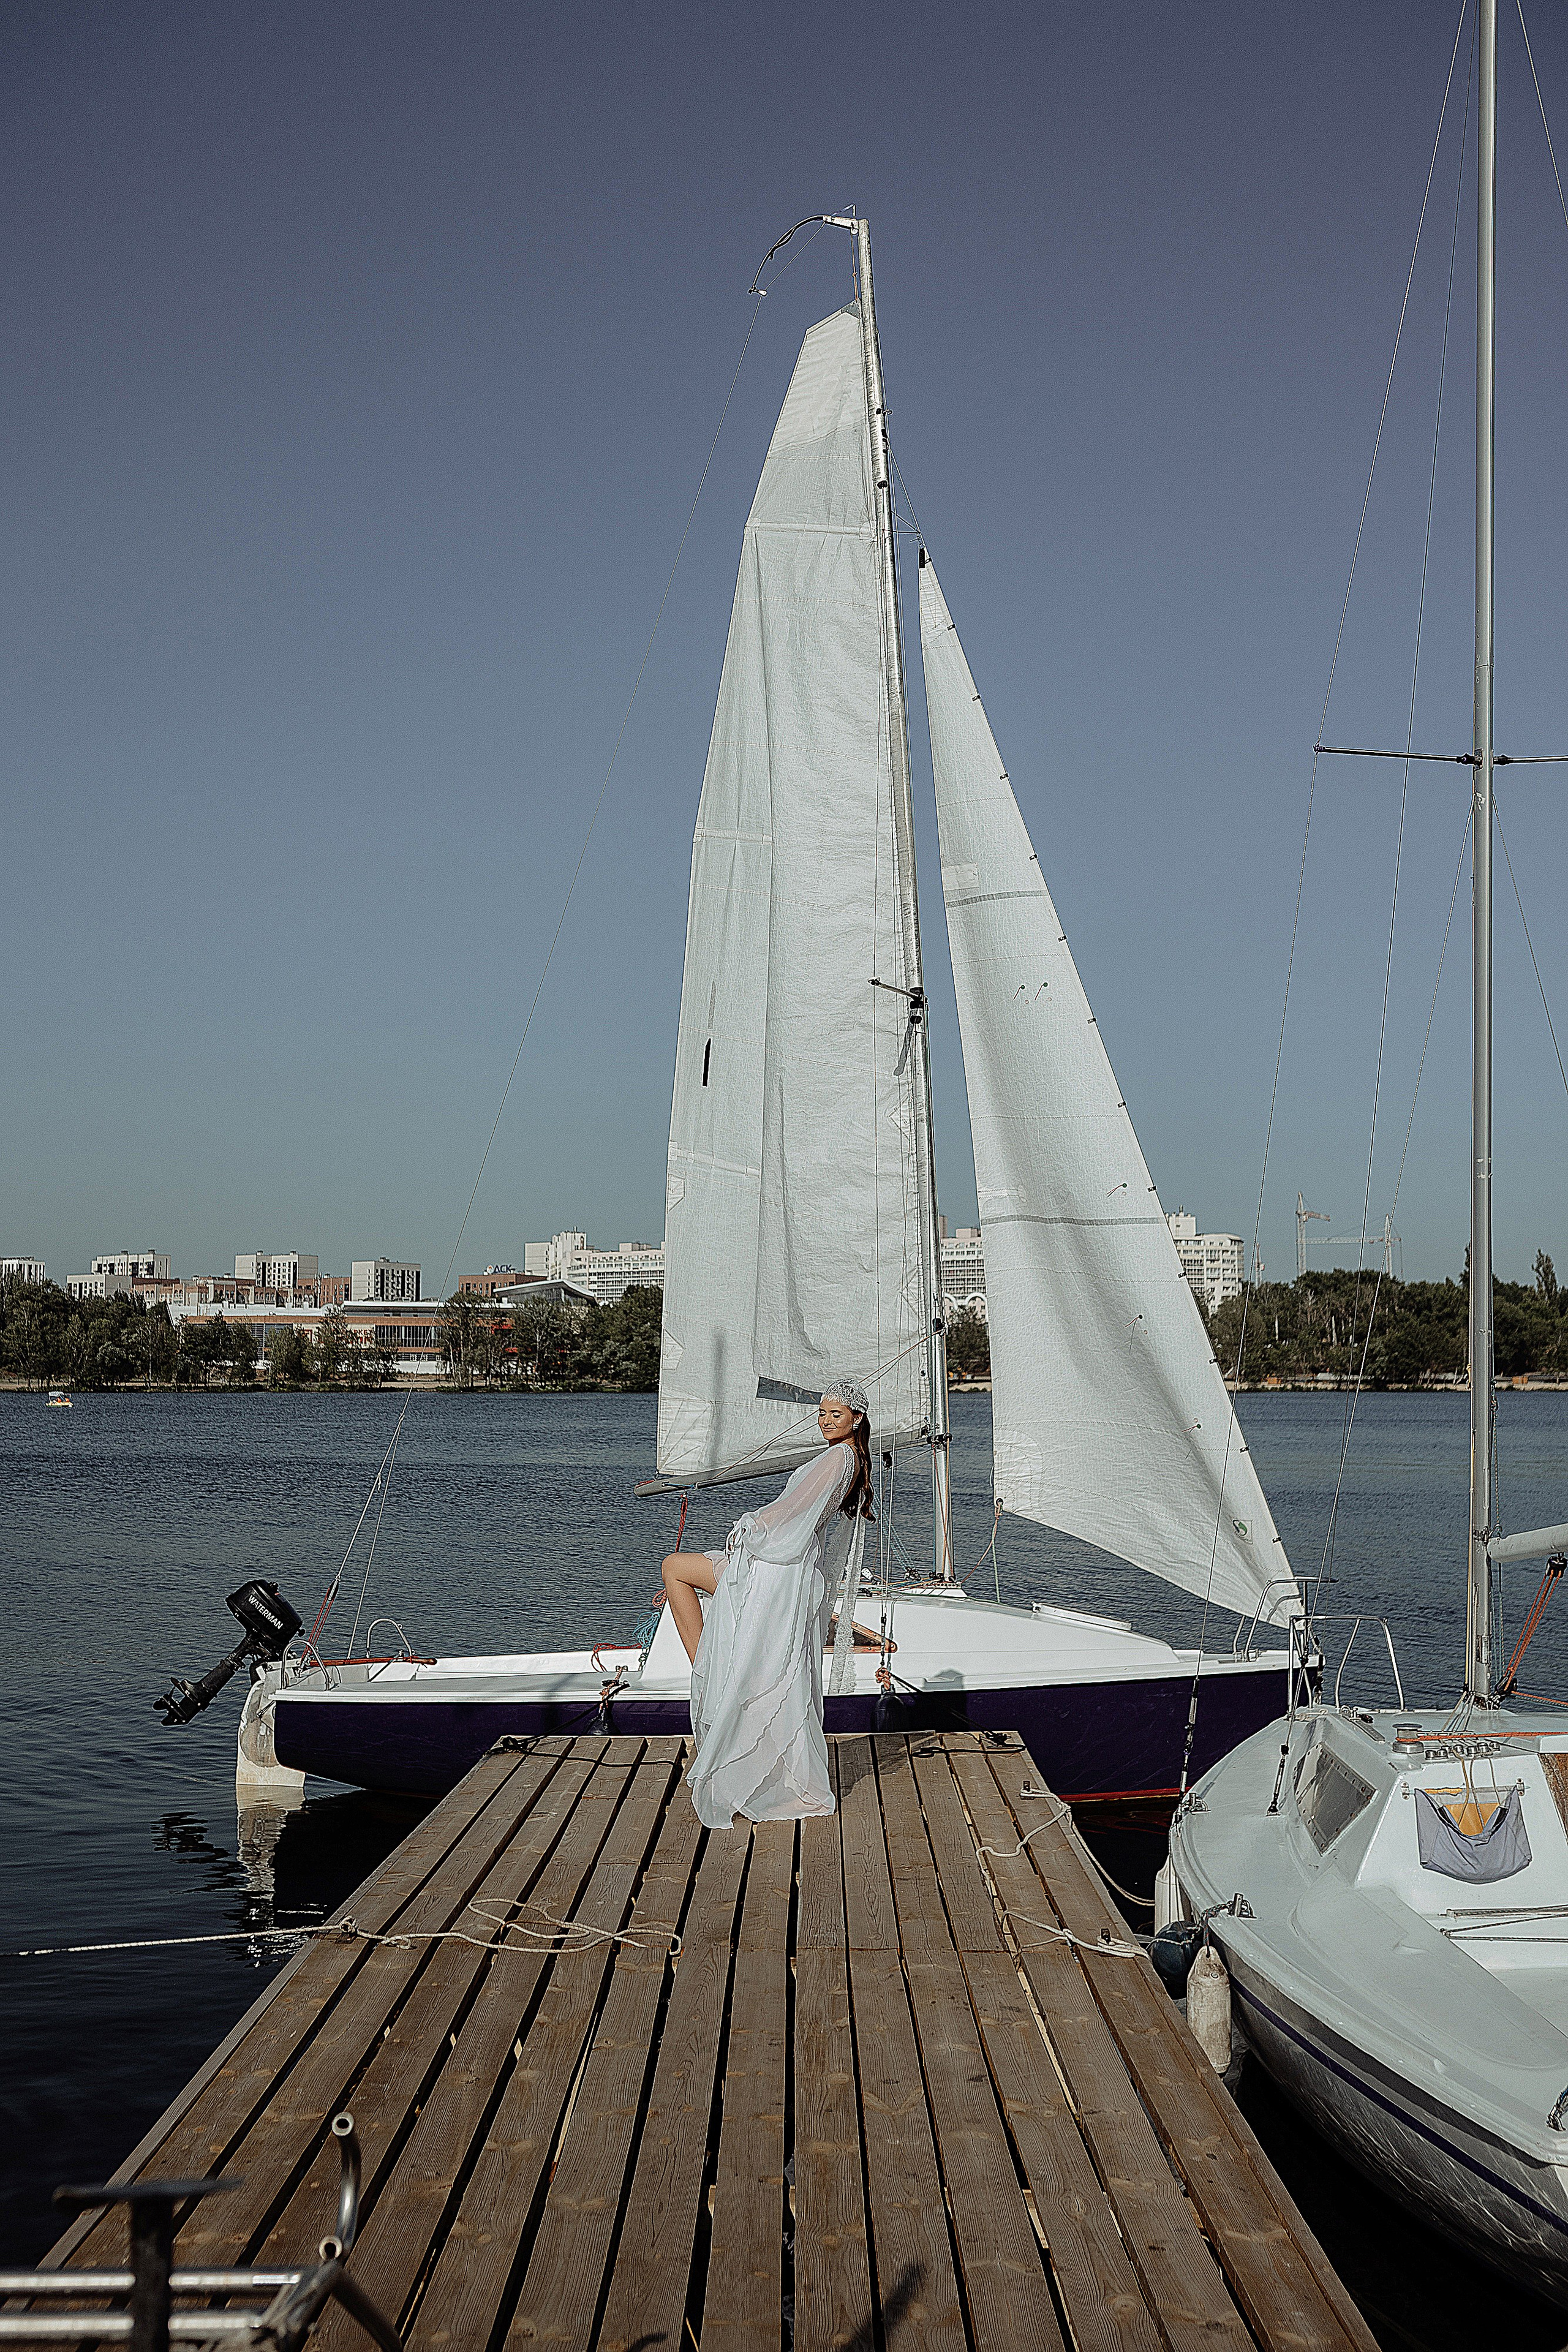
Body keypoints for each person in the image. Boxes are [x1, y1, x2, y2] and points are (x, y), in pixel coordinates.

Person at [662, 1379, 885, 1828]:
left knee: (674, 1568)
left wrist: (749, 1526)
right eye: (822, 1414)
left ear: (856, 1419)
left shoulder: (839, 1457)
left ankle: (714, 1677)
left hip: (776, 1569)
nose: (825, 1421)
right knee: (682, 1578)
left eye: (835, 1415)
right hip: (786, 1568)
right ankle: (718, 1677)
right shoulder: (850, 1459)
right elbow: (800, 1512)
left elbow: (791, 1513)